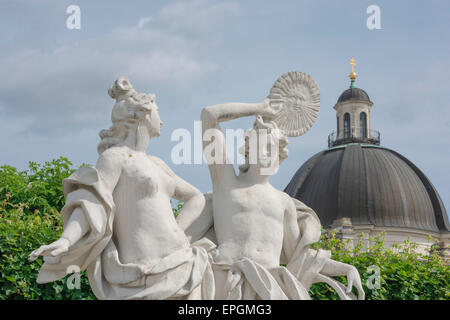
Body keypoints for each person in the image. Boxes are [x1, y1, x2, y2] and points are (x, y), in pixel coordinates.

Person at [29, 77, 215, 300]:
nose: (162, 120)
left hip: (182, 261)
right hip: (143, 269)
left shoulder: (158, 164)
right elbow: (92, 202)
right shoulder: (114, 158)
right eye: (157, 112)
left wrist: (180, 231)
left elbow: (196, 198)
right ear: (141, 115)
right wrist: (66, 239)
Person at [178, 99, 365, 299]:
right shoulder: (226, 183)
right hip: (226, 282)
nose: (267, 153)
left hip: (270, 287)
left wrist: (346, 268)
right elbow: (209, 115)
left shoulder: (284, 202)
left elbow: (300, 257)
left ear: (279, 156)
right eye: (262, 146)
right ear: (248, 149)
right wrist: (258, 108)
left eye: (271, 148)